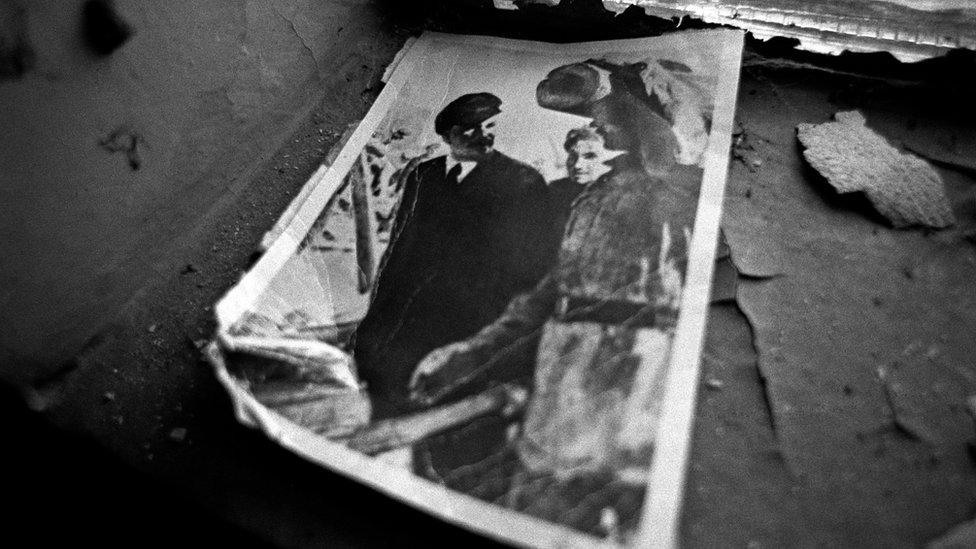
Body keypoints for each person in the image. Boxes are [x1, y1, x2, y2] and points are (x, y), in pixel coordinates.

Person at [407, 122, 701, 536]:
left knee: (622, 492)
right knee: (544, 499)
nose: (577, 163)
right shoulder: (584, 206)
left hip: (633, 371)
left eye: (593, 154)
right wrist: (470, 352)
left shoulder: (672, 198)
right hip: (566, 369)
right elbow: (546, 296)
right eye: (574, 154)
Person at [353, 92, 560, 420]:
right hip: (412, 313)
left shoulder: (523, 182)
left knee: (451, 413)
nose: (484, 135)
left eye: (490, 126)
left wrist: (493, 327)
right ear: (448, 136)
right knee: (388, 396)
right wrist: (377, 315)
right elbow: (400, 246)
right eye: (470, 130)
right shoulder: (425, 175)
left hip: (474, 318)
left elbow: (534, 266)